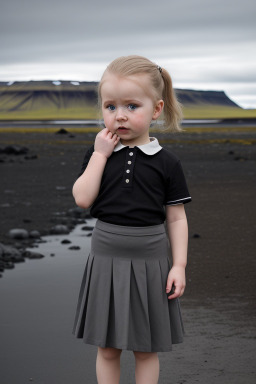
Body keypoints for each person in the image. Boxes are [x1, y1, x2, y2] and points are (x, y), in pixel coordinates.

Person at [72, 55, 192, 384]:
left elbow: (177, 218)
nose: (119, 115)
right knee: (108, 348)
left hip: (150, 260)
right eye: (110, 106)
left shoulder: (167, 162)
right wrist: (99, 155)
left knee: (145, 348)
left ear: (156, 109)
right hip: (105, 258)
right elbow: (83, 198)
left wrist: (178, 265)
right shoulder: (99, 154)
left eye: (131, 106)